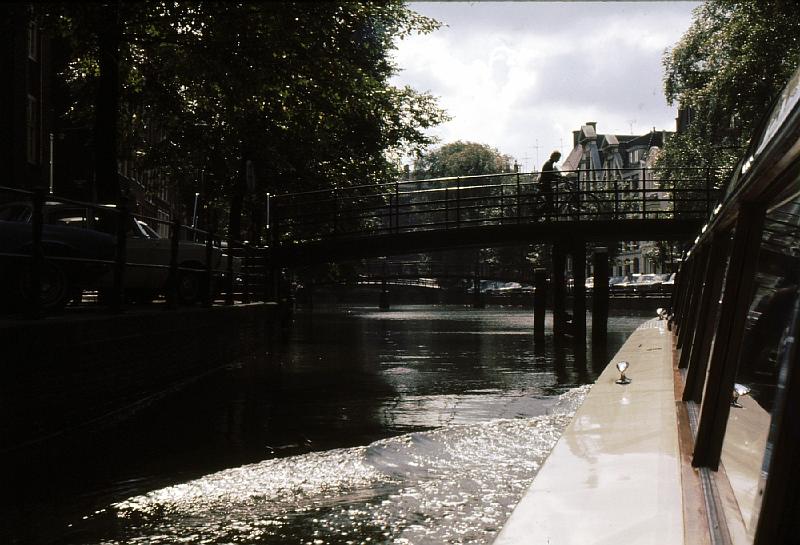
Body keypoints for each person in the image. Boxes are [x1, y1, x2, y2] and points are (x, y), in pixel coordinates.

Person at [539, 150, 562, 217]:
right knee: (550, 202)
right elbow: (549, 175)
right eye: (558, 158)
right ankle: (541, 213)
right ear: (555, 157)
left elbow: (550, 174)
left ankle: (547, 215)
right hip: (545, 185)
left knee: (549, 201)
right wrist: (558, 178)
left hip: (545, 184)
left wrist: (558, 177)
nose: (559, 159)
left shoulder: (549, 163)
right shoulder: (549, 164)